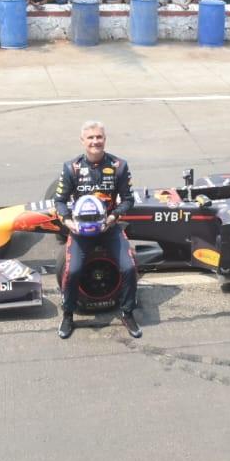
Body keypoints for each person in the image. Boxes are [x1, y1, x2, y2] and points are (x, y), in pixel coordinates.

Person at [53, 121, 140, 340]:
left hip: (107, 227)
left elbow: (129, 200)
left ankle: (127, 312)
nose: (95, 141)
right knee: (72, 271)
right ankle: (68, 314)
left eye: (99, 137)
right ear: (83, 141)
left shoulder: (119, 165)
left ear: (104, 139)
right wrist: (67, 221)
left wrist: (112, 217)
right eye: (90, 138)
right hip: (80, 231)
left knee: (129, 268)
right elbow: (60, 201)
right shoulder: (71, 167)